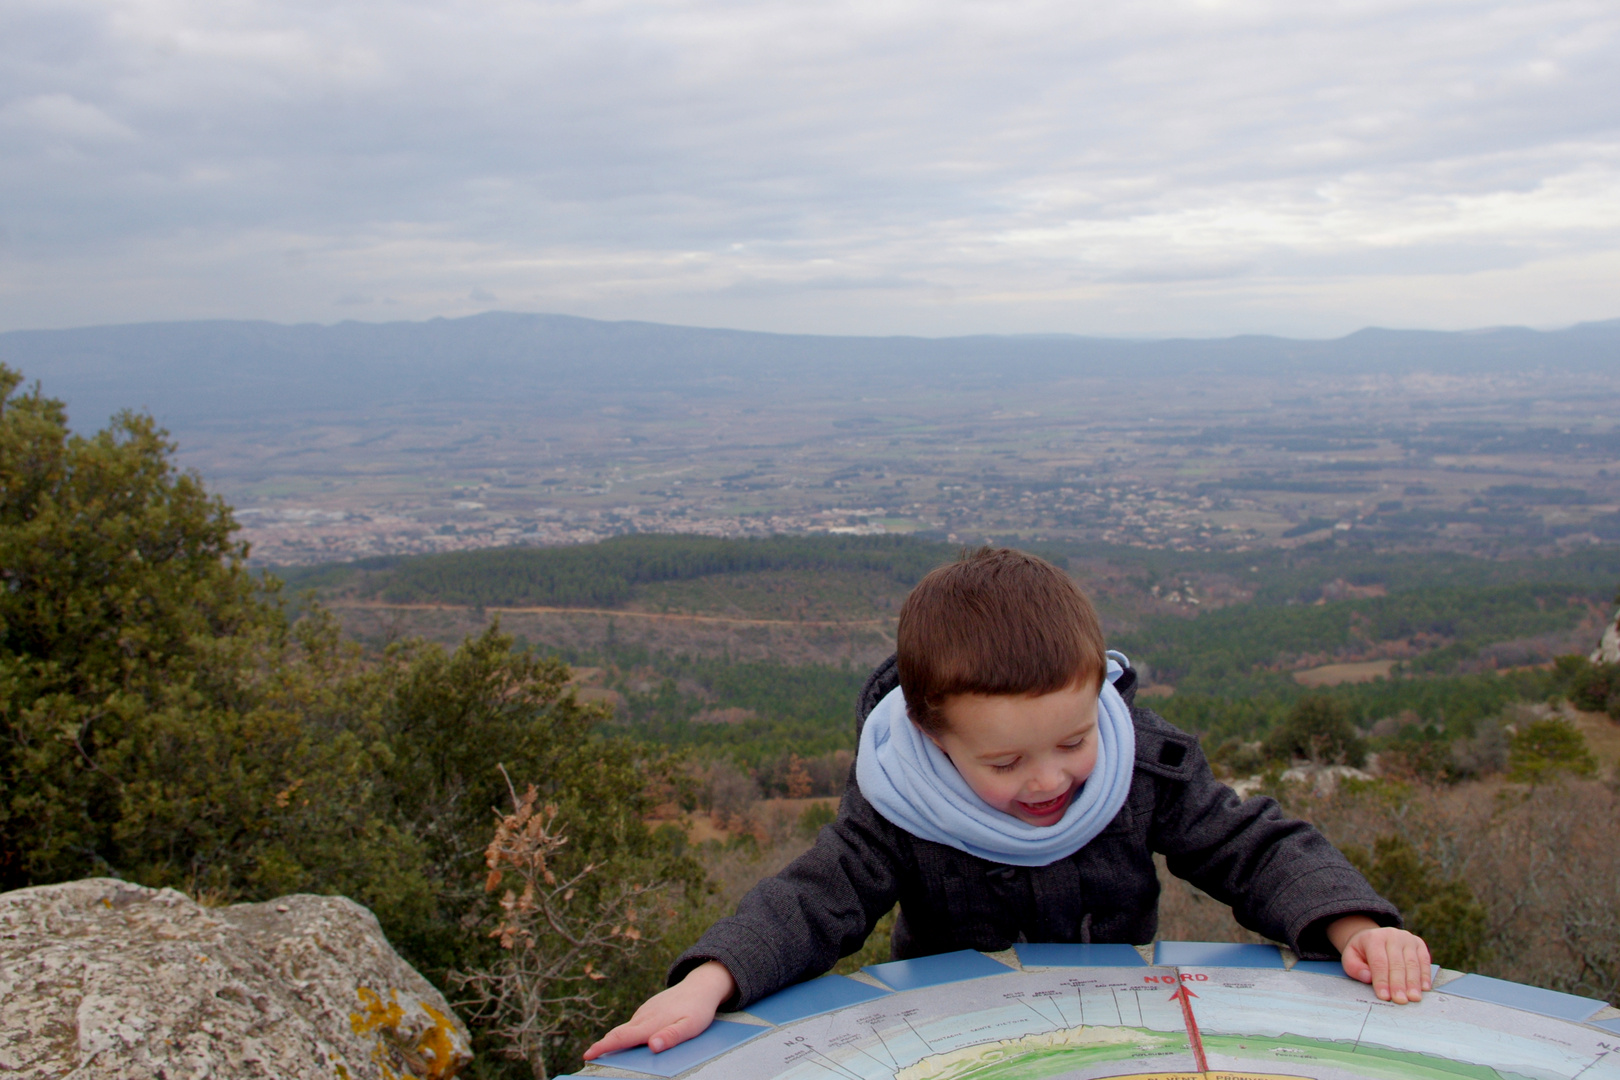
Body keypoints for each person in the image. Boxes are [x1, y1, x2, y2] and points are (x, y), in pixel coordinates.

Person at [586, 548, 1431, 1061]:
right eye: (1003, 760)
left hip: (1121, 1032)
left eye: (1072, 740)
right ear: (932, 734)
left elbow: (1252, 846)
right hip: (958, 1040)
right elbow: (814, 901)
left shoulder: (1137, 760)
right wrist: (710, 981)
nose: (1048, 780)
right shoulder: (899, 802)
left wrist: (1354, 927)